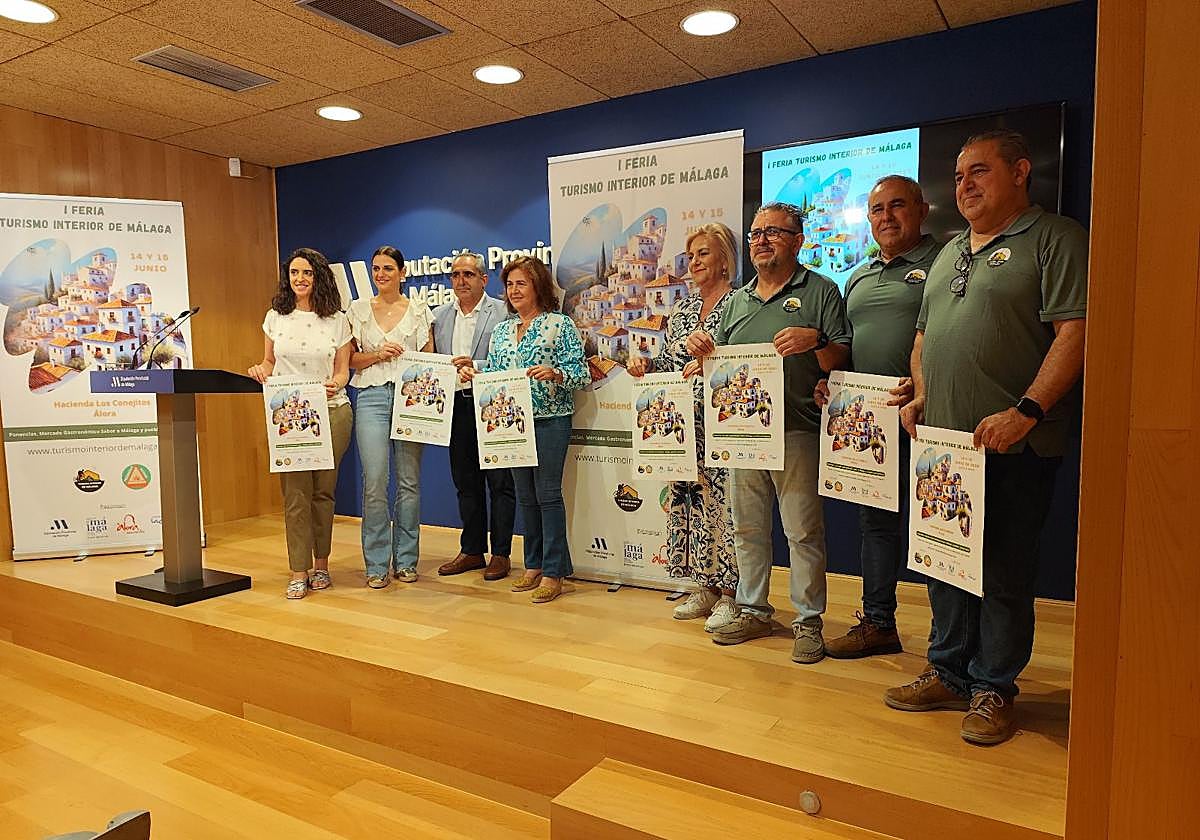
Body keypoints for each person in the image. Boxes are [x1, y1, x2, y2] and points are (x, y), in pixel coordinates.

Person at [885, 130, 1087, 745]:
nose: (964, 185)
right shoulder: (949, 251)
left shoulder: (1054, 238)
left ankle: (993, 686)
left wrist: (1027, 410)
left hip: (1014, 443)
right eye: (958, 175)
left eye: (979, 171)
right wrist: (921, 395)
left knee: (1003, 571)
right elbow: (924, 338)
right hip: (944, 448)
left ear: (1020, 171)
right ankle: (947, 671)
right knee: (944, 562)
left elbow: (1075, 332)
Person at [686, 203, 851, 664]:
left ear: (798, 241)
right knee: (747, 528)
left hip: (796, 428)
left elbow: (842, 357)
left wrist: (817, 341)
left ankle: (808, 621)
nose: (761, 240)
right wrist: (702, 352)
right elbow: (718, 362)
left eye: (773, 232)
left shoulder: (821, 290)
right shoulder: (737, 301)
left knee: (802, 532)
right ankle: (753, 609)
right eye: (756, 233)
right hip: (742, 434)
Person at [814, 175, 940, 658]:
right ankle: (878, 623)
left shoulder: (945, 261)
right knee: (876, 526)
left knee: (936, 529)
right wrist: (831, 383)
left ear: (922, 210)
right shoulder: (858, 277)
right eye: (877, 209)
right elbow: (846, 346)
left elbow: (948, 336)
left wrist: (924, 384)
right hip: (870, 424)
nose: (886, 217)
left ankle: (946, 646)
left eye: (897, 205)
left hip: (928, 417)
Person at [628, 223, 739, 632]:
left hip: (725, 428)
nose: (694, 262)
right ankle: (703, 587)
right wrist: (645, 365)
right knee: (690, 505)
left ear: (725, 259)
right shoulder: (683, 310)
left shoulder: (741, 304)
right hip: (682, 430)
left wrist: (713, 360)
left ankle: (733, 595)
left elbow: (750, 361)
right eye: (690, 256)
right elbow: (670, 363)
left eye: (703, 253)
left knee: (726, 510)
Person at [461, 256, 588, 604]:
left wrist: (557, 374)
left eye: (522, 283)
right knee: (526, 496)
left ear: (538, 287)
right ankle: (533, 565)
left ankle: (554, 571)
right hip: (511, 423)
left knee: (548, 494)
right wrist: (474, 372)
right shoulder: (503, 330)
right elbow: (496, 373)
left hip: (550, 419)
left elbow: (581, 373)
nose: (514, 290)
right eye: (510, 284)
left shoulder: (560, 325)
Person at [248, 247, 353, 600]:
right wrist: (260, 370)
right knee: (295, 494)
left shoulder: (337, 320)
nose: (300, 279)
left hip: (332, 412)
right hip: (290, 418)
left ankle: (321, 565)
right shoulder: (275, 317)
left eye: (307, 272)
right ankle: (298, 571)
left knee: (323, 492)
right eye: (294, 272)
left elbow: (342, 371)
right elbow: (268, 362)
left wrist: (336, 383)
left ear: (318, 276)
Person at [347, 246, 434, 589]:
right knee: (375, 481)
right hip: (371, 398)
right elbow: (349, 361)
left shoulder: (420, 311)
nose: (381, 274)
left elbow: (429, 362)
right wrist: (376, 354)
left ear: (402, 272)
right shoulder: (357, 310)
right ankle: (377, 564)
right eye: (376, 268)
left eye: (388, 268)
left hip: (411, 400)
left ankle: (407, 560)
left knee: (409, 482)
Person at [432, 252, 515, 581]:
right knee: (466, 483)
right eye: (455, 275)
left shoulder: (504, 312)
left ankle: (501, 554)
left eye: (468, 274)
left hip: (492, 405)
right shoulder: (439, 317)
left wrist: (477, 367)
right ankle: (472, 550)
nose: (460, 281)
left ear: (483, 279)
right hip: (456, 407)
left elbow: (511, 360)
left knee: (501, 483)